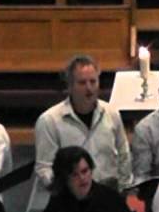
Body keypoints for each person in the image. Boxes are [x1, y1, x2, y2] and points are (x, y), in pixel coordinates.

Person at [35, 54, 132, 190]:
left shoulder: (112, 114)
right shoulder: (49, 121)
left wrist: (124, 190)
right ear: (70, 86)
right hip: (70, 194)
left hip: (107, 191)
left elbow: (124, 155)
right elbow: (44, 167)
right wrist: (63, 190)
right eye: (82, 83)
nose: (89, 88)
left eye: (93, 81)